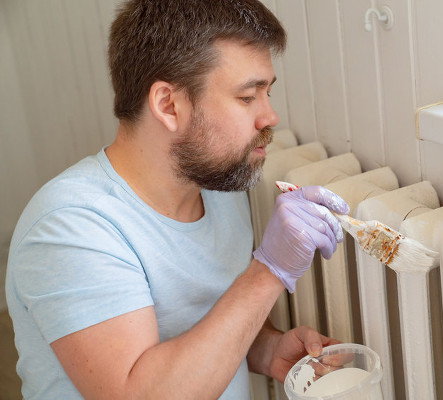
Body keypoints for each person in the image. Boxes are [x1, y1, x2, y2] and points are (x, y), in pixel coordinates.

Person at [5, 1, 350, 399]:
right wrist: (269, 271)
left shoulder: (217, 189)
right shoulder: (69, 228)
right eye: (247, 97)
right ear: (169, 105)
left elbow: (195, 327)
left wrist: (268, 348)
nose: (269, 116)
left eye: (267, 93)